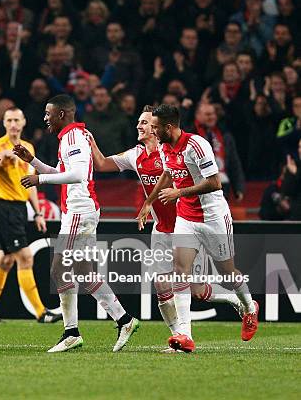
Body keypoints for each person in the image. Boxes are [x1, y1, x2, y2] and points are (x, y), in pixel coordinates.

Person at [89, 105, 243, 352]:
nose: (139, 126)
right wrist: (92, 144)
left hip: (188, 224)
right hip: (162, 230)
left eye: (144, 122)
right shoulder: (135, 155)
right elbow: (103, 164)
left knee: (197, 290)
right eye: (139, 122)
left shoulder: (171, 151)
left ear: (156, 127)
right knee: (161, 286)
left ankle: (233, 298)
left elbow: (194, 179)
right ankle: (178, 338)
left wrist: (159, 198)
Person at [14, 94, 139, 353]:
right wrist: (32, 162)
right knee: (82, 271)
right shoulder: (71, 137)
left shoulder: (72, 137)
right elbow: (61, 172)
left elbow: (78, 175)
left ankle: (71, 332)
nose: (45, 118)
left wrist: (39, 181)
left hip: (79, 210)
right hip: (82, 209)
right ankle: (124, 319)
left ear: (62, 114)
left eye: (48, 114)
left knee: (59, 269)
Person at [137, 104, 259, 353]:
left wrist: (179, 192)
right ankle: (185, 336)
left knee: (227, 272)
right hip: (186, 217)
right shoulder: (164, 146)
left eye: (156, 127)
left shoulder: (197, 145)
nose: (153, 131)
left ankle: (249, 306)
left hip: (213, 217)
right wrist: (149, 201)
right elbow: (169, 173)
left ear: (168, 127)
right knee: (180, 271)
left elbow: (215, 183)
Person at [0, 108, 61, 324]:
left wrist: (38, 212)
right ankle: (41, 312)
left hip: (20, 209)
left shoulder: (28, 147)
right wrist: (0, 159)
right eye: (9, 120)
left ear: (23, 122)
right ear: (4, 123)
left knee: (4, 260)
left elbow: (30, 183)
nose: (13, 124)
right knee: (25, 257)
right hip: (3, 206)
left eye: (17, 120)